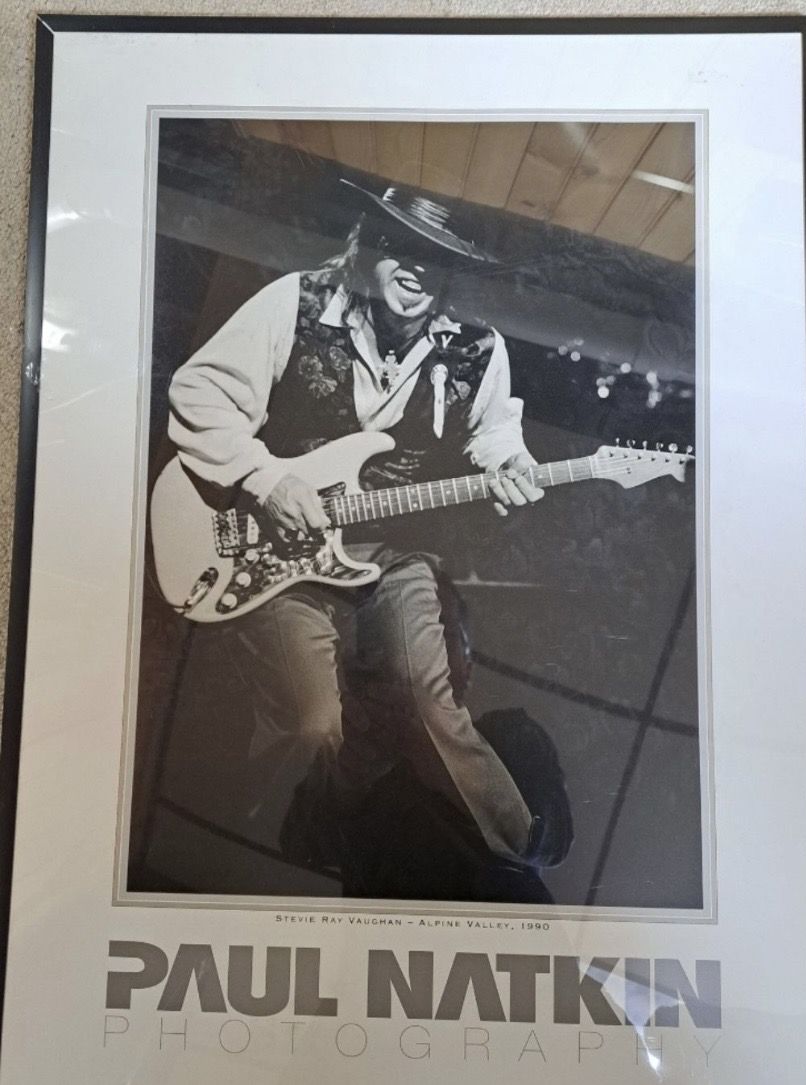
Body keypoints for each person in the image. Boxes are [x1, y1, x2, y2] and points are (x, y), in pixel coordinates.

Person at [165, 180, 559, 879]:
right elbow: (200, 392)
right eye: (402, 246)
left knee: (424, 700)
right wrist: (264, 478)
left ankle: (522, 852)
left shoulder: (479, 348)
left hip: (393, 549)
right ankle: (301, 842)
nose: (418, 269)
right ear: (368, 245)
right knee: (315, 723)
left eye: (439, 258)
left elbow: (496, 435)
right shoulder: (295, 301)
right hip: (272, 548)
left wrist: (513, 467)